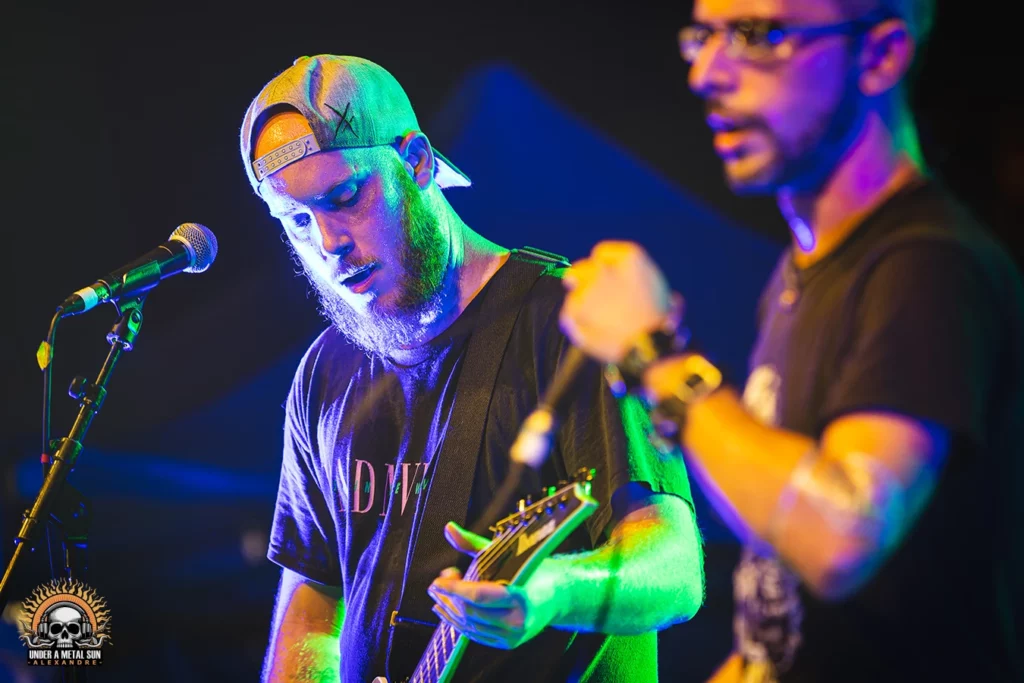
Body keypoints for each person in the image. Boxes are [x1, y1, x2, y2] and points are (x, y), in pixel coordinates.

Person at [558, 1, 1024, 681]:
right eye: (704, 37)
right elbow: (781, 627)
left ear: (880, 56)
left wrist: (656, 358)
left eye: (757, 35)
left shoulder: (929, 264)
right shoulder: (800, 274)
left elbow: (841, 537)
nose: (708, 74)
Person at [240, 55, 703, 683]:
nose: (327, 242)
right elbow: (311, 607)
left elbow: (675, 570)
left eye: (344, 197)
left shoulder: (572, 322)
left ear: (417, 161)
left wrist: (555, 592)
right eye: (297, 221)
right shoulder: (324, 371)